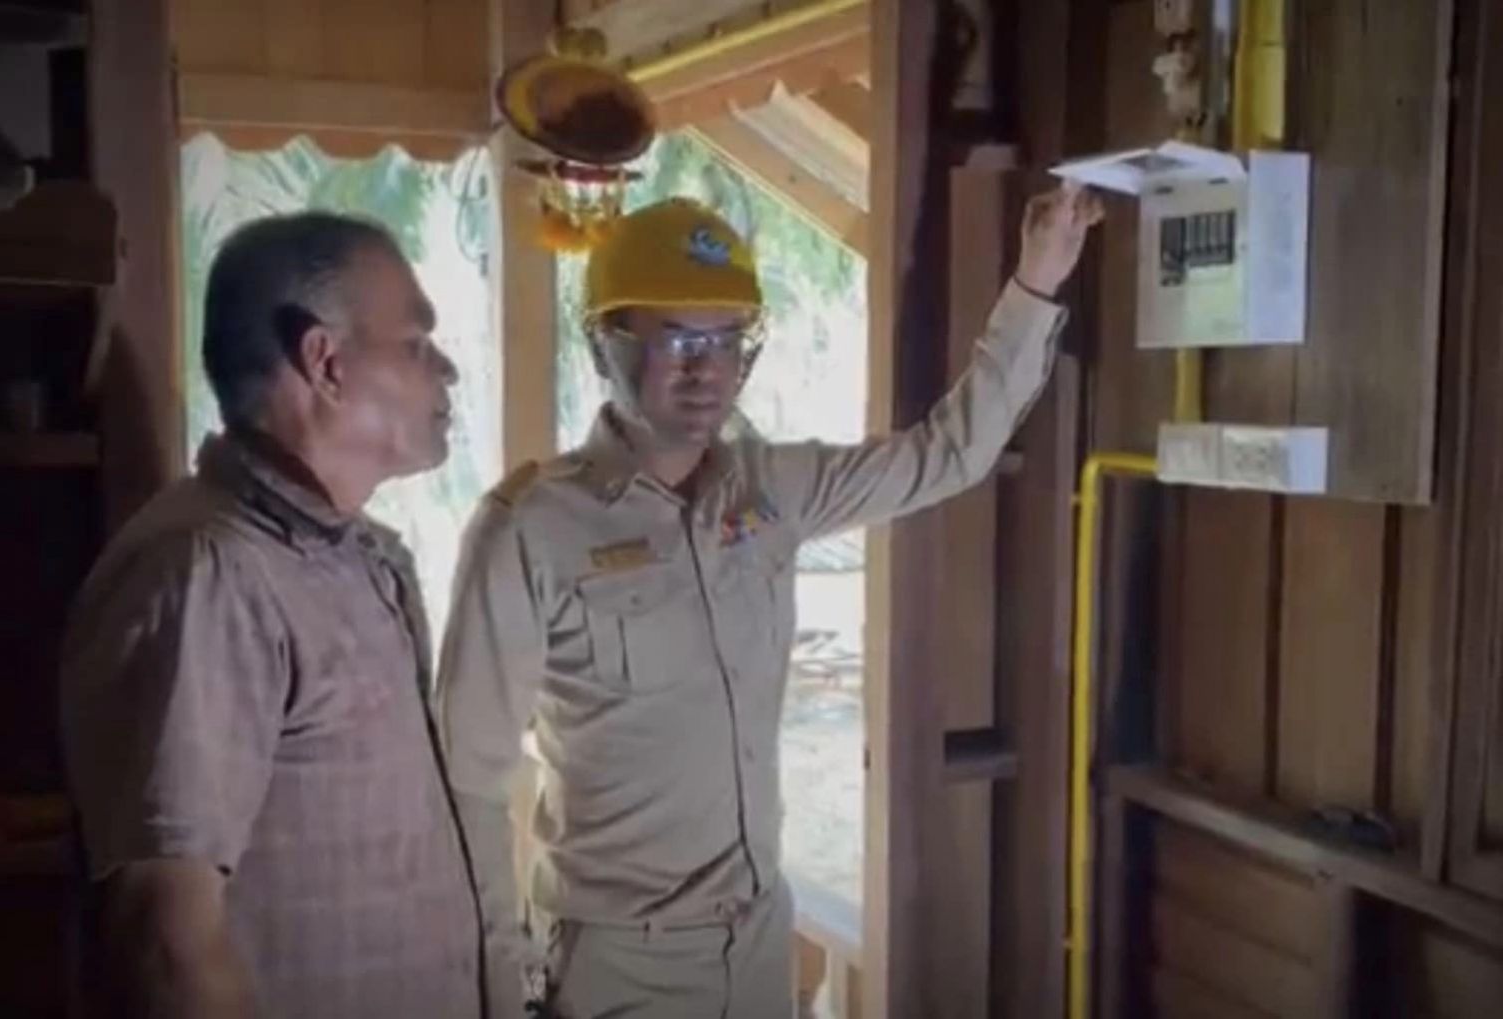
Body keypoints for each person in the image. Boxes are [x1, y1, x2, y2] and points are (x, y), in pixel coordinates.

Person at [436, 187, 1103, 1017]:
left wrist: (1035, 282)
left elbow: (949, 454)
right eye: (677, 339)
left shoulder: (771, 488)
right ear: (606, 344)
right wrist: (500, 975)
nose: (706, 369)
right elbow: (467, 777)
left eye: (727, 340)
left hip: (757, 941)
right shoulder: (529, 529)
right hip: (620, 961)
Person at [61, 212, 485, 1018]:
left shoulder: (353, 558)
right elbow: (167, 943)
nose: (447, 369)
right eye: (415, 344)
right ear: (325, 362)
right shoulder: (211, 573)